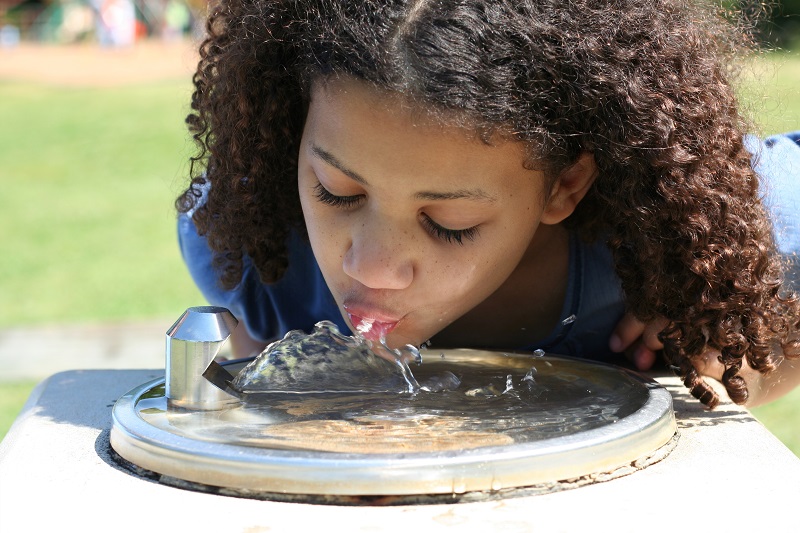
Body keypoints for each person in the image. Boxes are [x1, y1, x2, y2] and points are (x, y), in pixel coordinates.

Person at [176, 0, 800, 409]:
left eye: (450, 223)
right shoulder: (250, 248)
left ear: (564, 186)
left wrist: (743, 344)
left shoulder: (685, 230)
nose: (372, 267)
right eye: (337, 192)